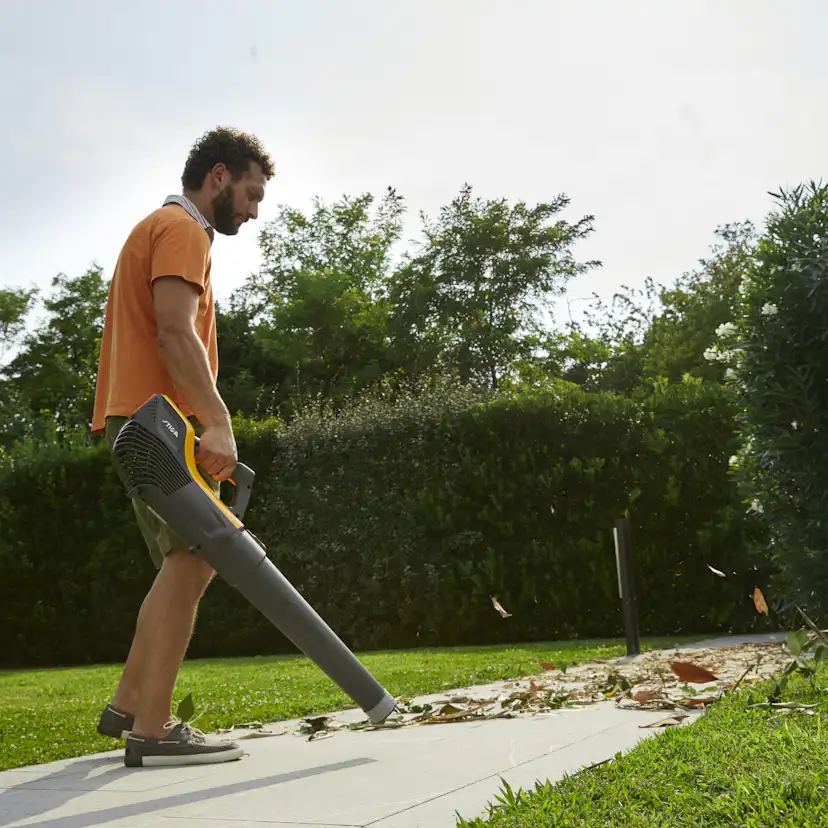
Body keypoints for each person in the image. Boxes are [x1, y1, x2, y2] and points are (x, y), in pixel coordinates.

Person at [89, 126, 274, 768]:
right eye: (251, 194)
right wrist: (217, 421)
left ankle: (128, 704)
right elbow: (173, 331)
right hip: (158, 421)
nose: (254, 211)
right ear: (218, 177)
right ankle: (154, 729)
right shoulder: (183, 229)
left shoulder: (166, 230)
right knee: (197, 559)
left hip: (147, 417)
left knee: (184, 562)